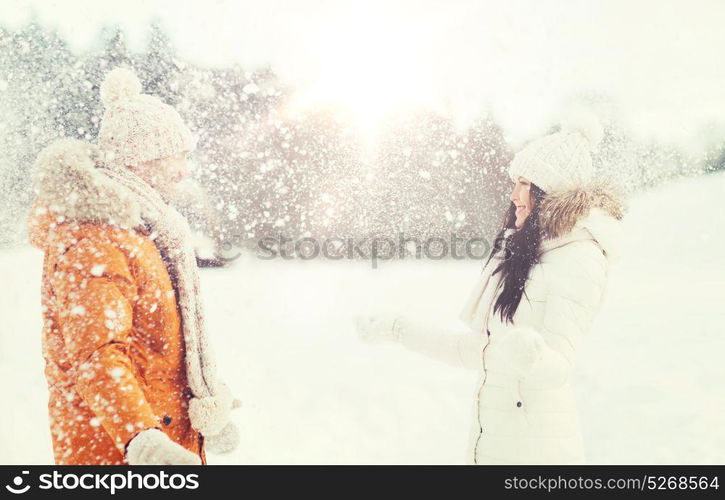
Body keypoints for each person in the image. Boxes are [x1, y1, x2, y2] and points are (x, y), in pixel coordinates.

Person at [355, 116, 626, 464]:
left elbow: (558, 368)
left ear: (550, 190)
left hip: (536, 453)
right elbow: (479, 352)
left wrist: (531, 355)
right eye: (515, 182)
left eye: (524, 183)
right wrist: (398, 329)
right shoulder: (523, 254)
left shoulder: (579, 258)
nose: (514, 195)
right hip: (491, 445)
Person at [28, 68, 240, 465]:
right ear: (143, 160)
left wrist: (201, 408)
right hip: (116, 454)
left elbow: (161, 352)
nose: (185, 169)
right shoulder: (94, 239)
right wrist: (141, 438)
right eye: (178, 155)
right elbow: (96, 354)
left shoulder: (146, 233)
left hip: (162, 439)